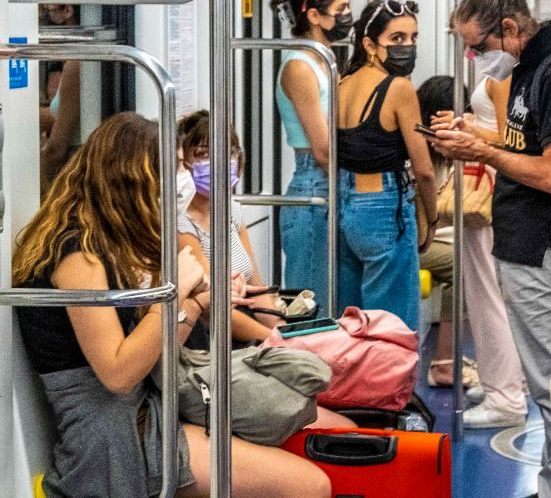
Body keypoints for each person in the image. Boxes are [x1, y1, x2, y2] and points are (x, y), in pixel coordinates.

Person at [13, 112, 332, 498]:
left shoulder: (109, 240)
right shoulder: (78, 255)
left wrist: (196, 300)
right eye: (176, 166)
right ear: (135, 176)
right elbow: (118, 373)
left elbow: (155, 349)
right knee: (307, 485)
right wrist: (178, 292)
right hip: (115, 439)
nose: (183, 176)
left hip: (143, 412)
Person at [429, 0, 551, 497]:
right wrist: (475, 132)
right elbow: (521, 143)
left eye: (477, 46)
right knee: (550, 385)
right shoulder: (529, 69)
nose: (475, 59)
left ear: (507, 28)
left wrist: (482, 151)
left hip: (543, 247)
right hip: (522, 243)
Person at [418, 75, 526, 427]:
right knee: (485, 297)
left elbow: (511, 141)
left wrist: (469, 133)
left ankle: (505, 395)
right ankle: (500, 382)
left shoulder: (503, 78)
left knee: (488, 297)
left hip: (488, 192)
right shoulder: (498, 73)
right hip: (489, 191)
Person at [335, 0, 438, 330]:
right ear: (369, 44)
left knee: (354, 323)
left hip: (347, 206)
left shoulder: (343, 84)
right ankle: (395, 385)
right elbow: (423, 169)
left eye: (413, 38)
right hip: (385, 207)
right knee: (392, 326)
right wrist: (431, 218)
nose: (407, 46)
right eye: (397, 39)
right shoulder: (399, 88)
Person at [270, 0, 352, 316]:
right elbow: (322, 148)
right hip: (313, 184)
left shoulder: (327, 58)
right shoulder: (299, 66)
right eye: (342, 9)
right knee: (309, 306)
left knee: (334, 301)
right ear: (315, 16)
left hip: (331, 178)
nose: (348, 16)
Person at [176, 111, 283, 335]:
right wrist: (273, 339)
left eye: (228, 152)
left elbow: (257, 288)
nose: (217, 162)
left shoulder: (231, 208)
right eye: (203, 154)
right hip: (209, 338)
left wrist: (282, 330)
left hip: (246, 326)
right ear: (184, 161)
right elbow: (212, 306)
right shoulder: (180, 222)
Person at [39, 3, 82, 185]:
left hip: (70, 176)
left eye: (47, 10)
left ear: (67, 11)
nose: (41, 16)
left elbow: (56, 151)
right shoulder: (72, 60)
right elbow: (62, 113)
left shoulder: (77, 63)